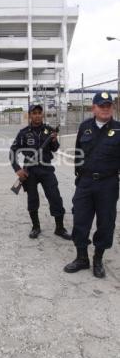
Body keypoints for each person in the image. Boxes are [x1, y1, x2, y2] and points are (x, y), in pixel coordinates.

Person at [64, 91, 120, 278]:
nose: (105, 109)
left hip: (108, 184)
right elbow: (78, 153)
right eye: (101, 105)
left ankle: (98, 259)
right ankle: (82, 258)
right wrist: (79, 178)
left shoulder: (119, 129)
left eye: (108, 105)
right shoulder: (85, 127)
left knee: (106, 223)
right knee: (80, 220)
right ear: (93, 108)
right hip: (85, 182)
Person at [10, 103, 71, 240]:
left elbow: (55, 149)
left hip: (46, 169)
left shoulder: (49, 131)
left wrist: (54, 140)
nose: (37, 115)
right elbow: (12, 151)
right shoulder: (23, 133)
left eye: (39, 113)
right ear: (30, 115)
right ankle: (35, 227)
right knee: (32, 199)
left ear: (42, 114)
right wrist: (18, 169)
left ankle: (60, 228)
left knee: (55, 197)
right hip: (29, 170)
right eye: (34, 113)